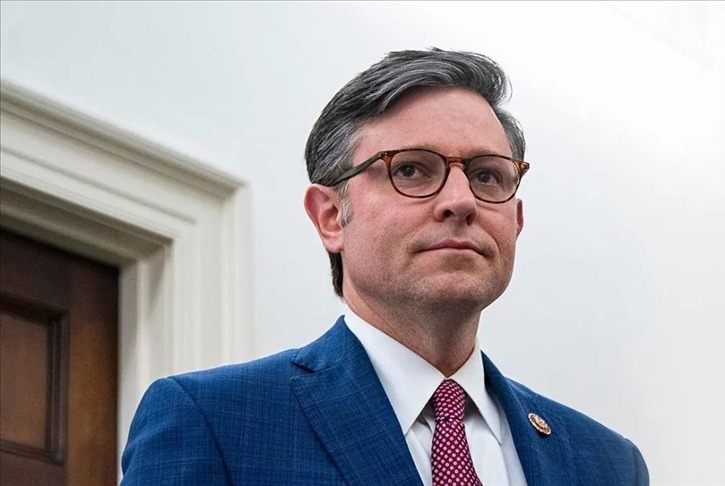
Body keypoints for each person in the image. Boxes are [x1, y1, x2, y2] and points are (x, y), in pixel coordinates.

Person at [120, 48, 649, 486]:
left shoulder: (606, 463)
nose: (461, 201)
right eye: (412, 170)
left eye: (488, 176)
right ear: (331, 216)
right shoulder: (215, 420)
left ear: (517, 220)